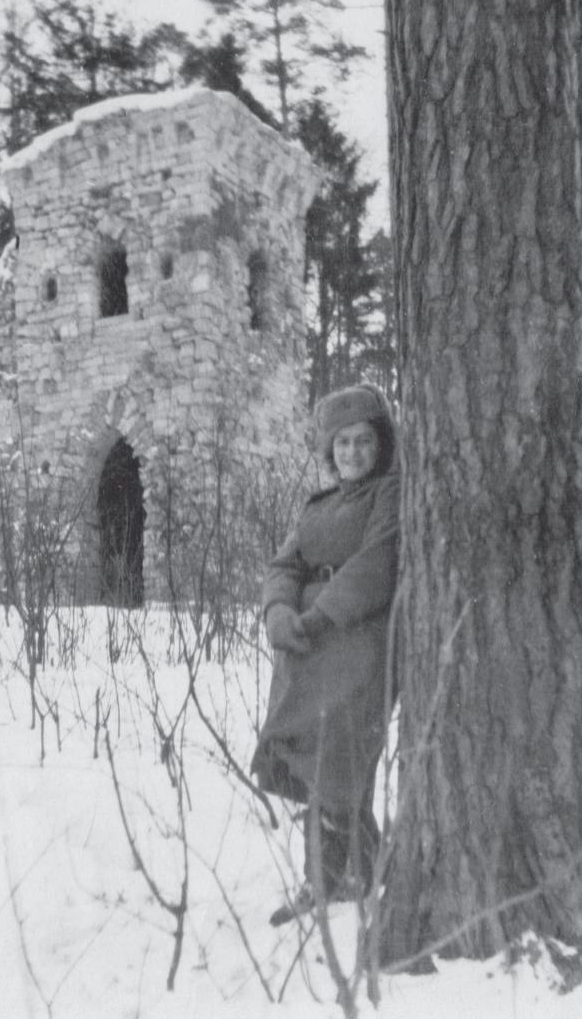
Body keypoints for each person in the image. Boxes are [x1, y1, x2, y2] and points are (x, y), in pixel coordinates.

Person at [251, 383, 400, 925]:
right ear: (329, 451)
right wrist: (277, 612)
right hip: (305, 647)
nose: (354, 453)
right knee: (303, 756)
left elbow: (378, 562)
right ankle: (352, 872)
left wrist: (316, 616)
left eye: (364, 441)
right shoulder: (320, 505)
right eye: (342, 444)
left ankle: (333, 879)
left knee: (339, 758)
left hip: (356, 638)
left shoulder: (390, 493)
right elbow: (284, 564)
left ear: (381, 444)